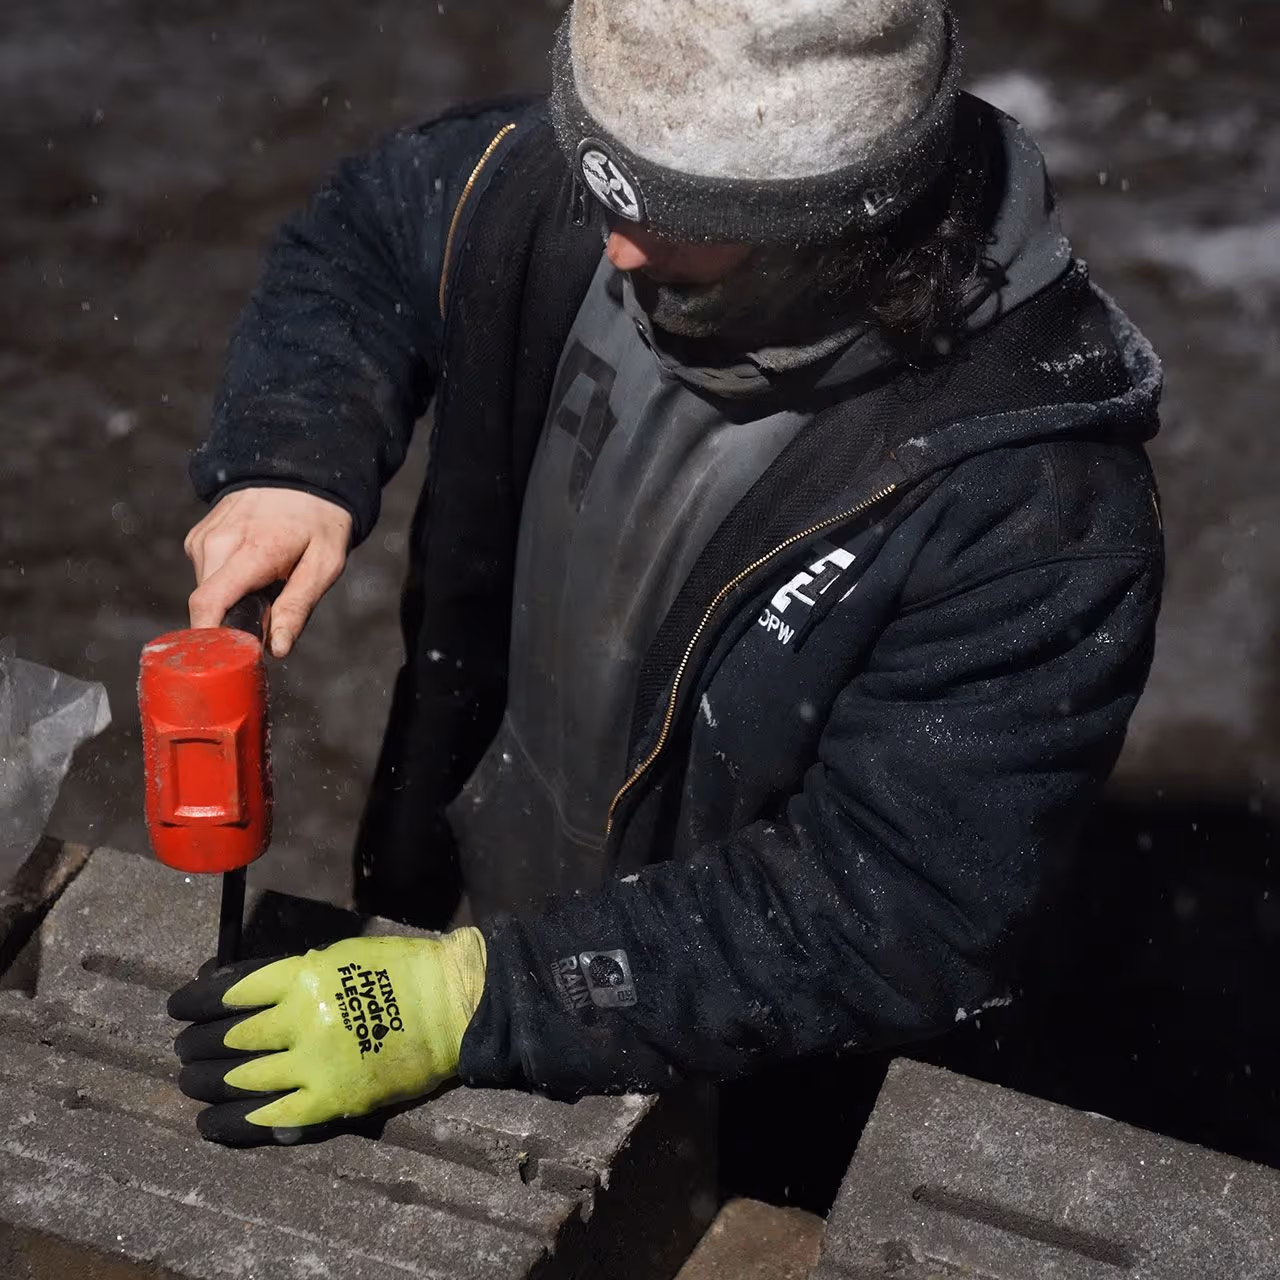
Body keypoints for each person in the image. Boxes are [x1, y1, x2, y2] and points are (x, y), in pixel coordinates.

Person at [169, 0, 1164, 1146]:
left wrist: (484, 1000)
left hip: (754, 1070)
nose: (620, 245)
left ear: (843, 218)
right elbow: (371, 229)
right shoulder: (605, 189)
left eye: (680, 219)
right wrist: (292, 461)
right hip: (461, 867)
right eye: (608, 186)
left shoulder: (1035, 503)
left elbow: (895, 907)